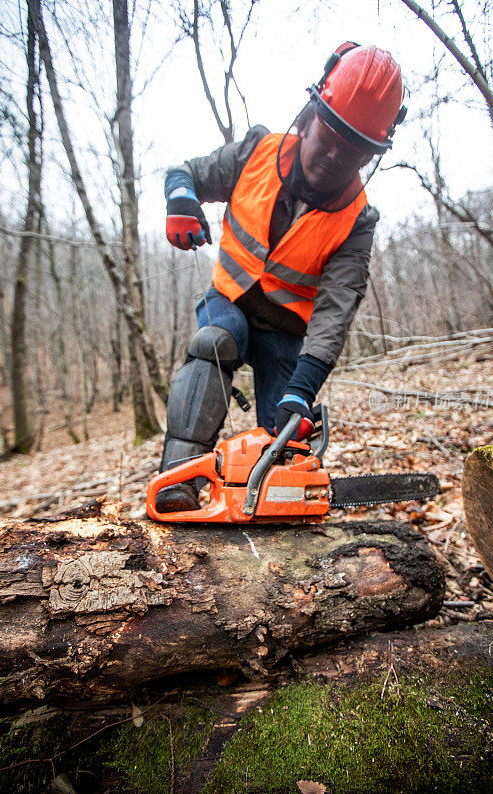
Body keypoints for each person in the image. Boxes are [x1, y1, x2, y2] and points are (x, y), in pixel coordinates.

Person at [157, 42, 406, 512]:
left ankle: (265, 511)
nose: (333, 154)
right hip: (227, 300)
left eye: (350, 151)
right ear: (310, 117)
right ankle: (176, 479)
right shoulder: (257, 150)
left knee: (285, 434)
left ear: (367, 156)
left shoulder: (357, 220)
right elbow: (184, 172)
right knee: (215, 340)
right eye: (328, 135)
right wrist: (181, 198)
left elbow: (335, 313)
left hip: (286, 331)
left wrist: (303, 388)